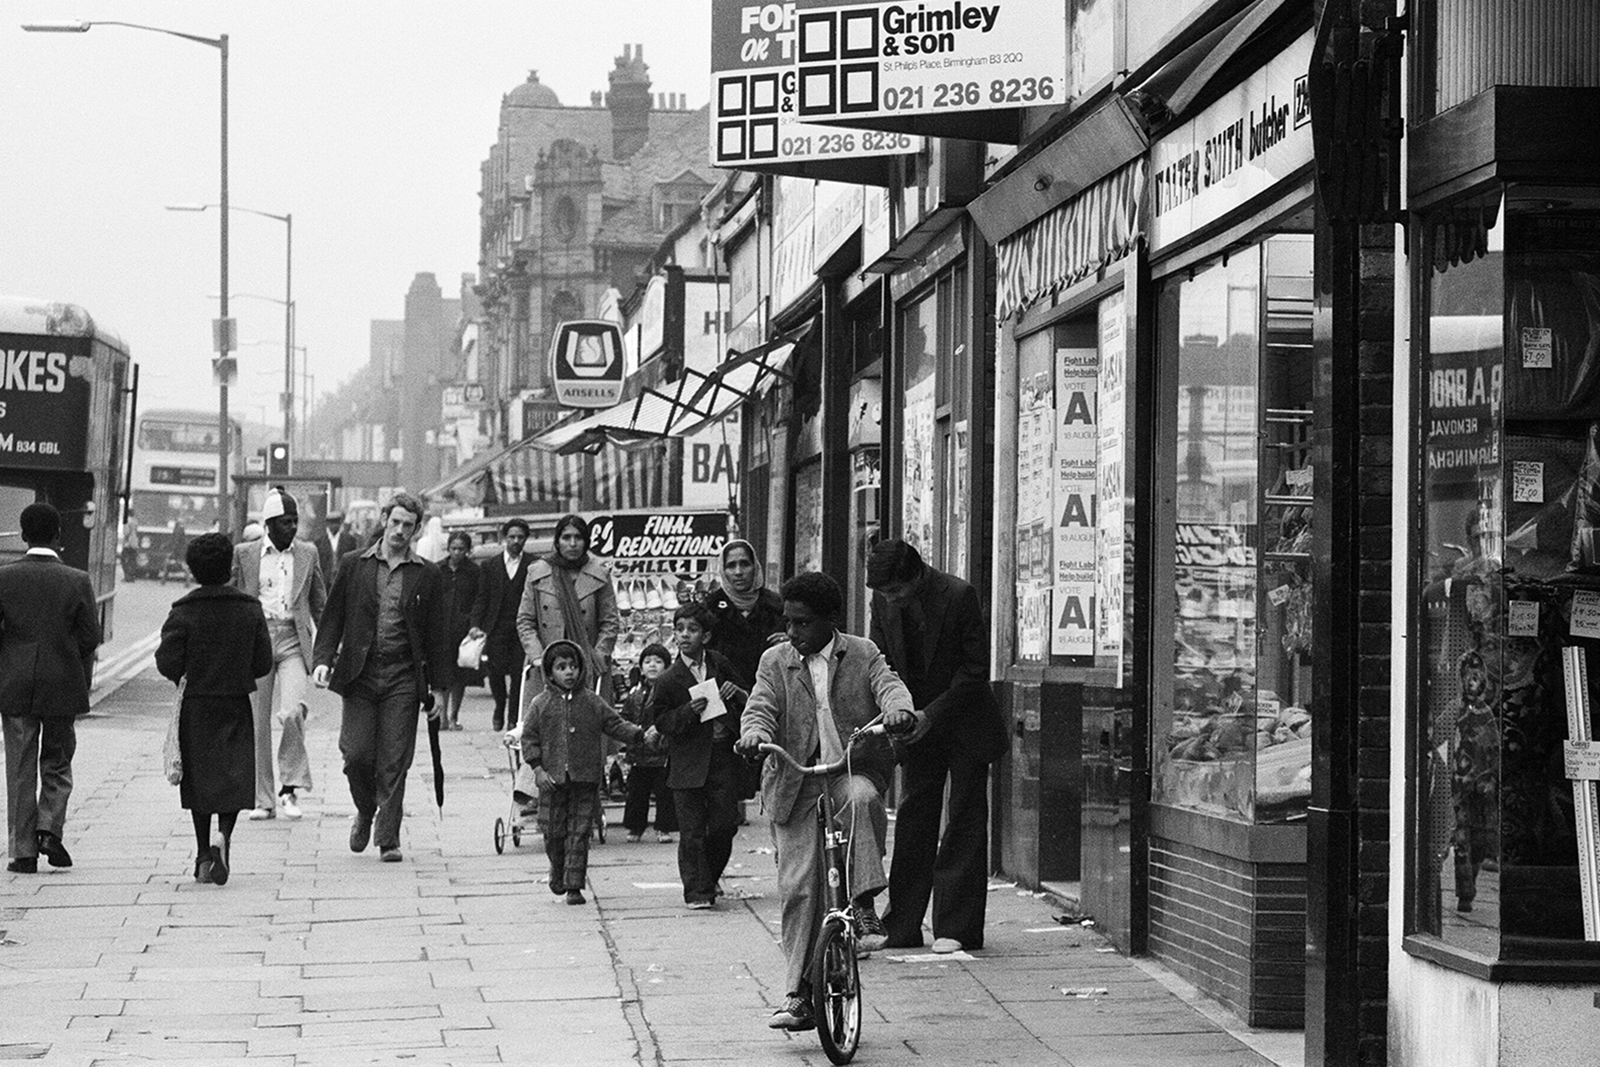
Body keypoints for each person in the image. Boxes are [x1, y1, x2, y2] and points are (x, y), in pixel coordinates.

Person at [737, 571, 919, 1032]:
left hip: (848, 769)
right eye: (788, 622)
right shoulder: (776, 660)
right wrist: (754, 735)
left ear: (829, 621)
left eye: (802, 624)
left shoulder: (862, 652)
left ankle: (863, 903)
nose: (793, 633)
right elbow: (760, 706)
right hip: (795, 782)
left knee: (861, 798)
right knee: (799, 891)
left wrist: (898, 709)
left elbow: (889, 685)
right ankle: (799, 994)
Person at [867, 538, 1009, 953]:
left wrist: (932, 714)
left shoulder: (959, 595)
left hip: (963, 720)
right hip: (915, 726)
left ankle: (956, 927)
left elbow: (974, 669)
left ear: (915, 575)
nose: (891, 601)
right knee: (914, 818)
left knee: (964, 819)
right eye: (884, 595)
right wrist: (903, 713)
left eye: (896, 591)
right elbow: (883, 664)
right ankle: (903, 925)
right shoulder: (883, 604)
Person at [311, 492, 451, 863]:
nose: (400, 531)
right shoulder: (354, 564)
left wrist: (437, 687)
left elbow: (437, 634)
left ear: (416, 529)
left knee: (394, 759)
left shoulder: (426, 573)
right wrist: (323, 657)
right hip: (360, 673)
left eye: (408, 525)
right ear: (384, 522)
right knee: (356, 754)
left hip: (403, 676)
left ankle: (388, 837)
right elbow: (333, 615)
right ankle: (364, 810)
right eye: (395, 523)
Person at [156, 532, 273, 885]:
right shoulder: (249, 609)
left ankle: (203, 854)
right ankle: (225, 837)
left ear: (192, 570)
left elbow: (166, 660)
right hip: (235, 702)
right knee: (233, 776)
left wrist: (185, 674)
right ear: (229, 568)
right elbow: (263, 661)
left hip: (197, 705)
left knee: (199, 782)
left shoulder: (183, 611)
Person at [0, 503, 101, 874]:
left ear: (24, 535)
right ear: (59, 535)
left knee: (20, 767)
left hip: (15, 685)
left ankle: (22, 852)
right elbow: (90, 637)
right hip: (62, 683)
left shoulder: (4, 577)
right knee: (57, 760)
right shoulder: (78, 580)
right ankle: (50, 828)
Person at [519, 639, 645, 905]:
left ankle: (574, 886)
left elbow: (614, 723)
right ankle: (558, 868)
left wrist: (639, 735)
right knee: (553, 833)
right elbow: (529, 738)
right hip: (551, 779)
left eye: (573, 666)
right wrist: (537, 769)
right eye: (561, 667)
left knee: (579, 833)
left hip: (585, 778)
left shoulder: (592, 702)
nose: (569, 672)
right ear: (550, 672)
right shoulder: (540, 704)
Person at [231, 488, 326, 821]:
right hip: (256, 640)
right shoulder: (245, 553)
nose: (293, 528)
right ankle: (263, 799)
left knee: (291, 713)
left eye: (296, 521)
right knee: (258, 724)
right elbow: (231, 598)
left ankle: (290, 789)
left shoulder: (308, 553)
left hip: (292, 641)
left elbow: (319, 602)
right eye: (286, 522)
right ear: (269, 524)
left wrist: (326, 650)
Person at [650, 604, 748, 909]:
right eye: (679, 629)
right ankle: (697, 892)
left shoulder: (719, 664)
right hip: (688, 762)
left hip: (722, 756)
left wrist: (737, 694)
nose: (684, 635)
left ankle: (711, 876)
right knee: (691, 832)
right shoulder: (669, 678)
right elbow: (661, 720)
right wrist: (687, 713)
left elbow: (748, 695)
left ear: (705, 635)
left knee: (723, 825)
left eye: (691, 630)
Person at [517, 513, 621, 689]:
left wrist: (598, 655)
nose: (572, 544)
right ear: (557, 542)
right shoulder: (537, 572)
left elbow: (610, 622)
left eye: (578, 538)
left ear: (586, 542)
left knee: (589, 714)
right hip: (546, 667)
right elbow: (525, 620)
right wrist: (538, 657)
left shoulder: (599, 573)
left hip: (588, 666)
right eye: (566, 537)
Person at [469, 517, 533, 731]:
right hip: (496, 626)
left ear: (525, 540)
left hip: (522, 629)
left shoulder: (532, 565)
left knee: (518, 674)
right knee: (494, 671)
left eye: (520, 537)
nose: (516, 541)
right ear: (504, 538)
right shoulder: (490, 565)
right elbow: (482, 596)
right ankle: (499, 705)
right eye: (512, 537)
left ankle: (513, 717)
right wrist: (475, 624)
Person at [619, 644, 677, 843]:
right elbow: (624, 718)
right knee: (636, 794)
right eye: (648, 661)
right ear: (641, 667)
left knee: (665, 793)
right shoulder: (634, 694)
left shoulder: (671, 692)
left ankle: (664, 827)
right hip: (638, 753)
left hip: (663, 753)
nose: (653, 665)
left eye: (659, 661)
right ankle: (636, 827)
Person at [437, 530, 482, 730]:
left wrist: (474, 624)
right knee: (443, 674)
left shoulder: (474, 572)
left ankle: (454, 716)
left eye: (461, 549)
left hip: (463, 630)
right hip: (441, 627)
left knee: (459, 675)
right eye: (454, 548)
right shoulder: (438, 570)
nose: (457, 553)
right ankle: (442, 718)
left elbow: (479, 600)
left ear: (468, 550)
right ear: (448, 549)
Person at [317, 510, 358, 589]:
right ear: (327, 524)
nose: (334, 526)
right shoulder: (319, 543)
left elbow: (354, 563)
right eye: (331, 523)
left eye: (336, 523)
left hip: (344, 582)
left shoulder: (350, 541)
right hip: (326, 583)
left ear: (340, 523)